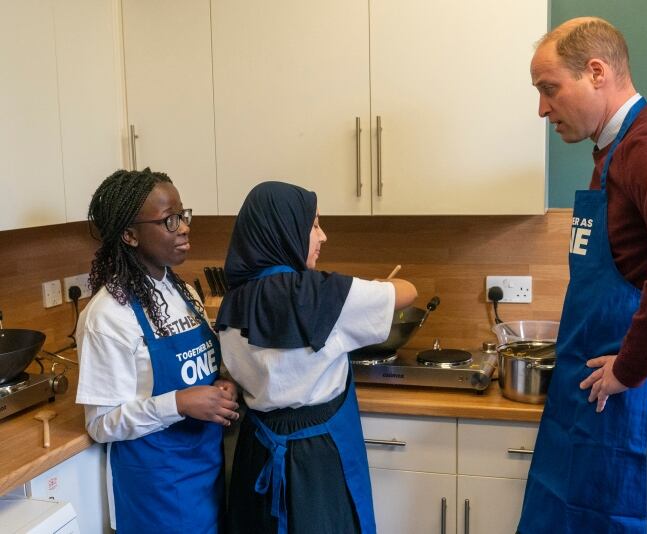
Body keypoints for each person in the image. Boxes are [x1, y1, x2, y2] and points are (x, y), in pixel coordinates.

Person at [519, 17, 647, 534]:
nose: (543, 108)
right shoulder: (615, 152)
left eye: (549, 89)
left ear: (596, 72)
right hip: (621, 399)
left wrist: (629, 368)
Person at [216, 181, 417, 534]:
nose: (323, 237)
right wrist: (364, 292)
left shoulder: (232, 302)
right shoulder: (325, 294)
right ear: (286, 229)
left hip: (257, 452)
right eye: (314, 225)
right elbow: (408, 291)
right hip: (319, 459)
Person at [75, 168, 239, 533]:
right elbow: (101, 423)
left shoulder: (184, 294)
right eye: (169, 220)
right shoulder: (107, 316)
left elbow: (200, 370)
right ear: (130, 235)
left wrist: (222, 385)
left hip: (205, 474)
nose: (183, 227)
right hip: (157, 492)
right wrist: (178, 403)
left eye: (183, 216)